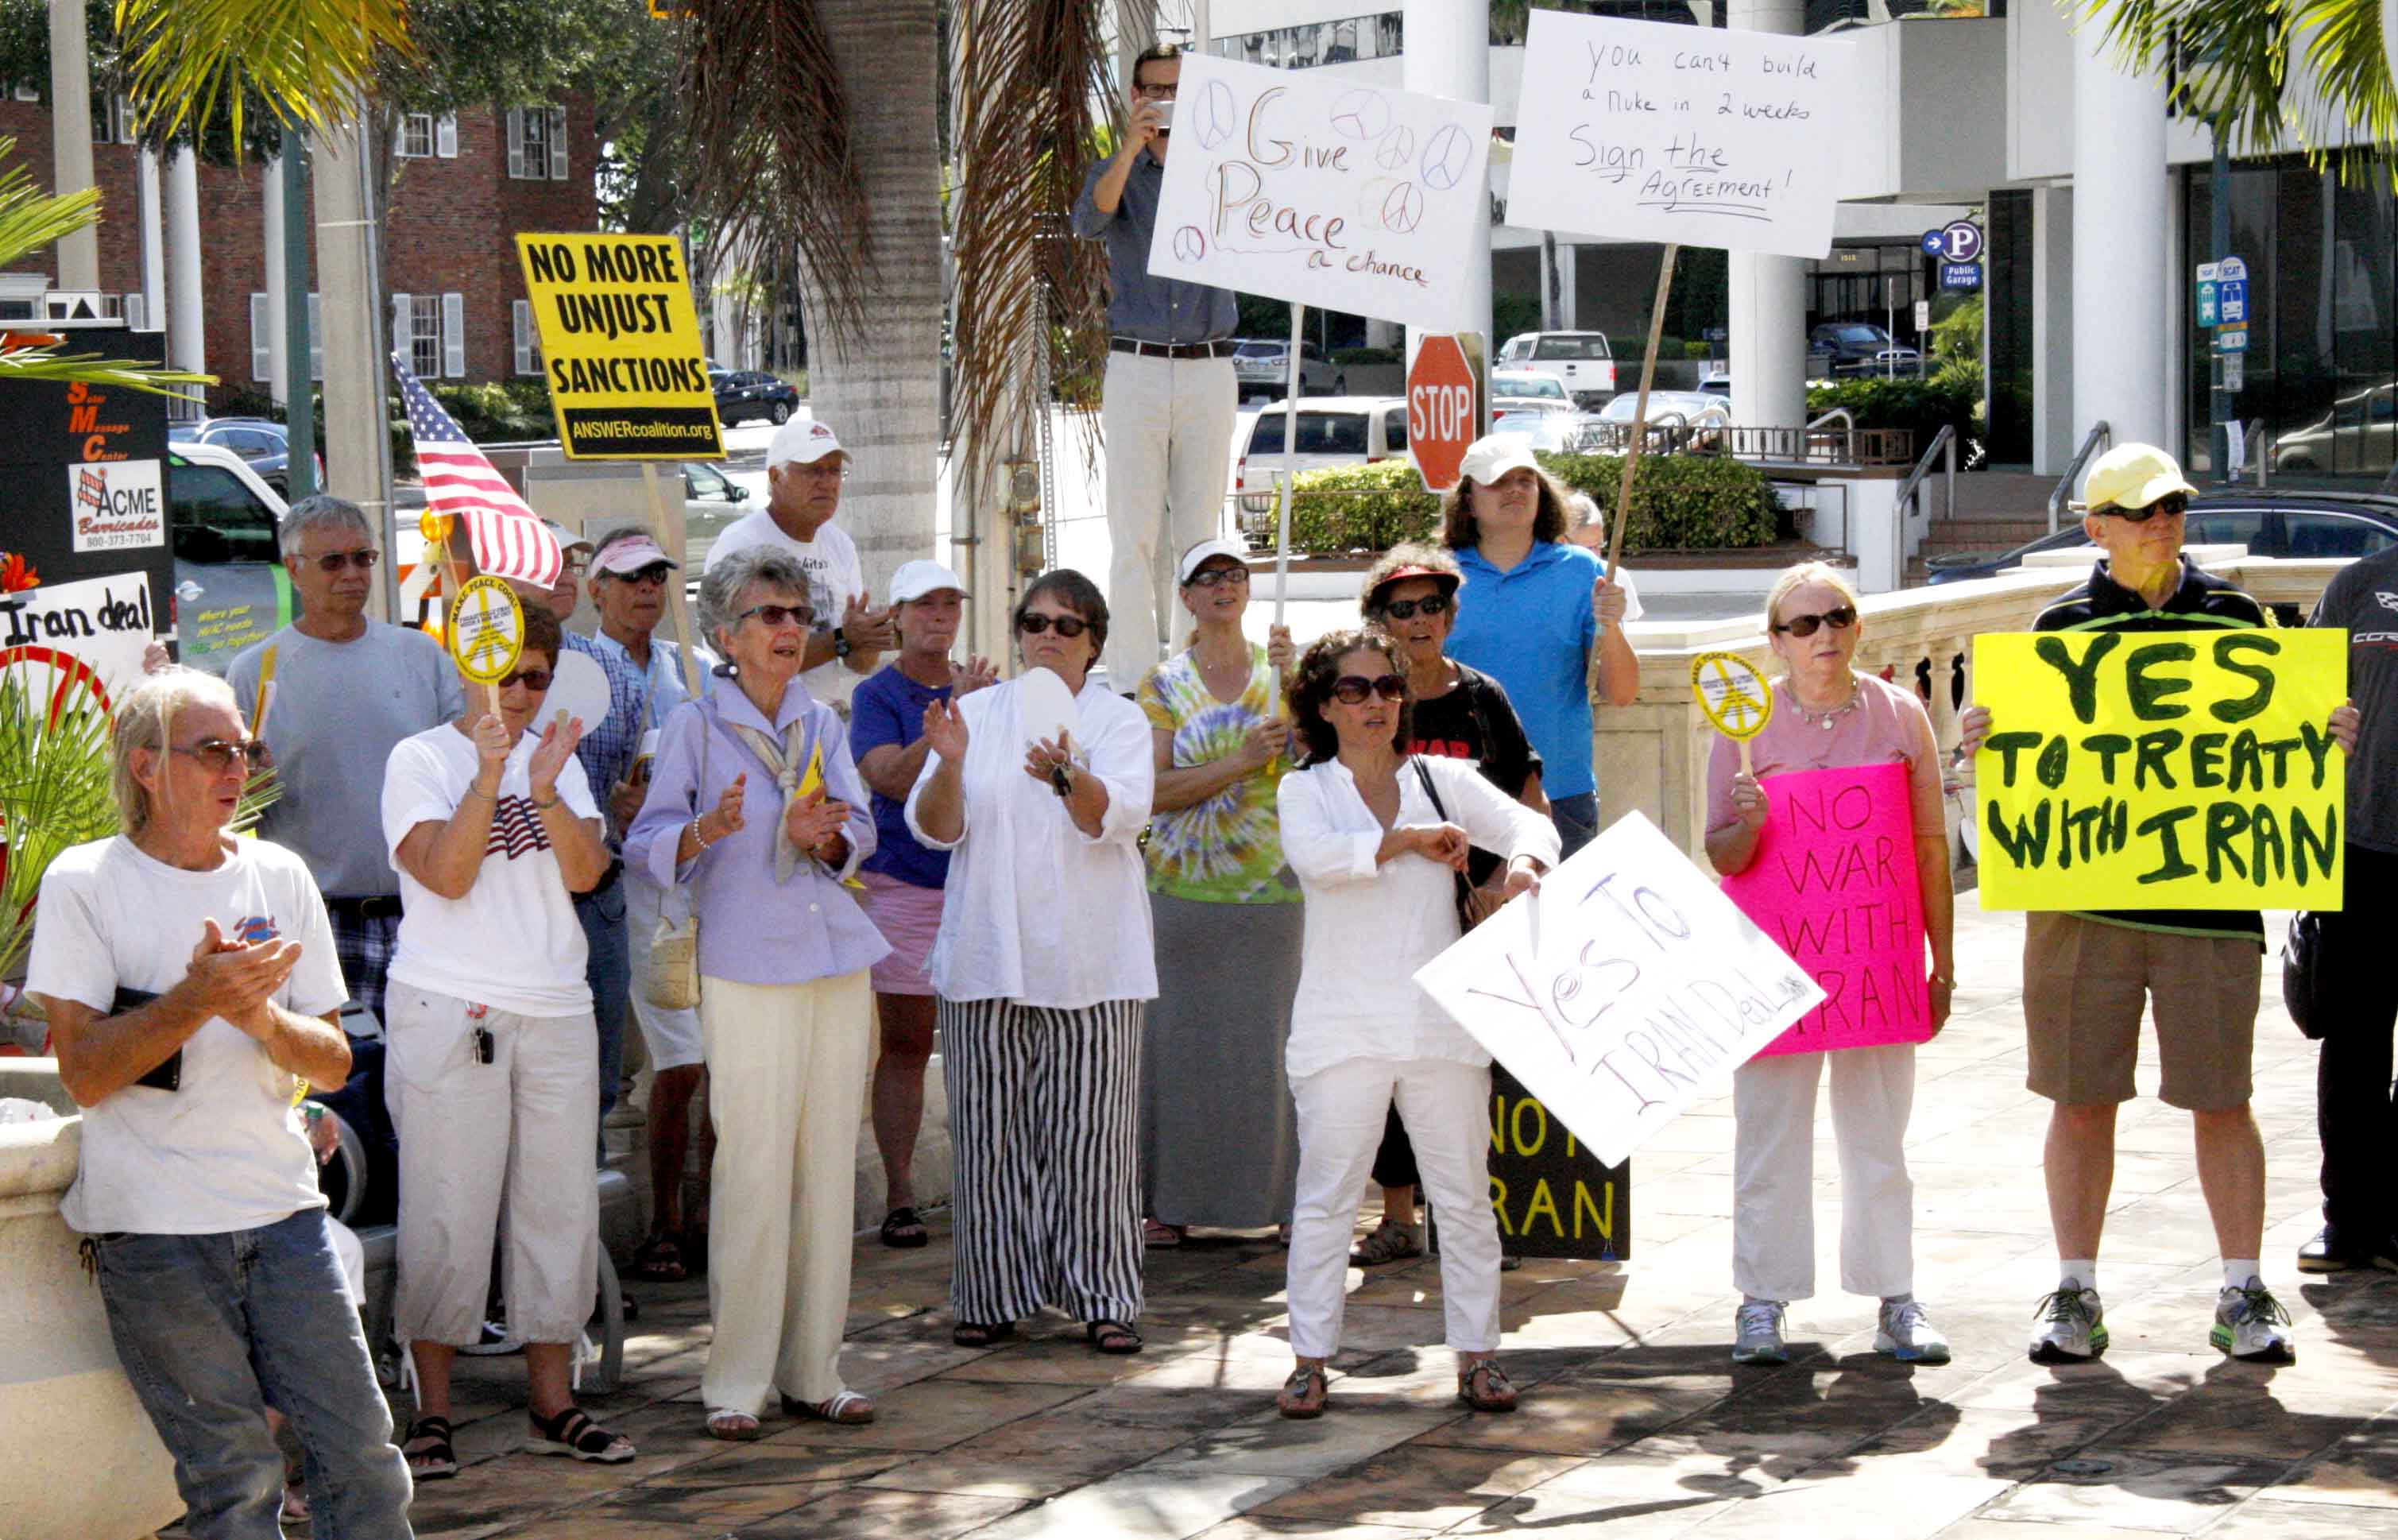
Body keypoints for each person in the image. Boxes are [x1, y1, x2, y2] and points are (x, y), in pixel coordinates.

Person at [1958, 443, 2360, 1364]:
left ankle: (2242, 1290)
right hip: (2080, 907)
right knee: (2079, 1098)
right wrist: (1987, 737)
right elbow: (2018, 776)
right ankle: (2075, 1289)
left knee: (2224, 1100)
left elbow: (2276, 753)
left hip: (2210, 911)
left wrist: (2322, 735)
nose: (2162, 524)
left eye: (2172, 507)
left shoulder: (2234, 616)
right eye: (2140, 512)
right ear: (2095, 526)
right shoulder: (2057, 629)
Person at [28, 668, 415, 1540]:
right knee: (233, 1486)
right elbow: (85, 1074)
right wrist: (194, 999)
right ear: (146, 767)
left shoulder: (278, 875)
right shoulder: (84, 881)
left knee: (364, 1463)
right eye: (211, 750)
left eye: (242, 748)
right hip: (154, 1236)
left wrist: (259, 1018)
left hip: (283, 1218)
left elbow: (332, 1057)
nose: (235, 766)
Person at [625, 546, 888, 1440]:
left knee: (825, 1166)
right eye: (770, 616)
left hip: (835, 960)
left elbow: (863, 832)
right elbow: (650, 841)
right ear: (729, 635)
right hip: (745, 965)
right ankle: (736, 1382)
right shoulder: (696, 727)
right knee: (754, 1167)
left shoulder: (822, 722)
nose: (788, 630)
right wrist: (712, 826)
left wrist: (826, 836)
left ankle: (816, 1369)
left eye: (796, 616)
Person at [1274, 627, 1558, 1420]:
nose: (1375, 704)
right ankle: (1308, 1360)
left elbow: (1534, 826)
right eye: (1355, 690)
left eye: (1388, 688)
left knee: (1465, 1198)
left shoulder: (1444, 777)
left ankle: (1479, 1356)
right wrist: (1409, 842)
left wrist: (1525, 868)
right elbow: (1322, 861)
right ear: (1324, 706)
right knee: (1327, 1198)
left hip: (1440, 1028)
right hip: (1340, 1030)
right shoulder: (1305, 790)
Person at [380, 603, 632, 1473]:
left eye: (537, 677)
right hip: (452, 1004)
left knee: (558, 1208)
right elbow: (446, 877)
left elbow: (587, 871)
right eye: (508, 674)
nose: (521, 694)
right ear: (470, 668)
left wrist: (548, 787)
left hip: (556, 1005)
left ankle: (552, 1402)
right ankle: (434, 1411)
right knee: (448, 1207)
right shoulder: (420, 759)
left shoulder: (554, 756)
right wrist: (489, 777)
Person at [1704, 562, 1955, 1368]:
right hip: (1771, 966)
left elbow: (1925, 844)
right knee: (1770, 1136)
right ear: (1775, 641)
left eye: (1837, 617)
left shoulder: (1899, 715)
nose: (1823, 636)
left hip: (1873, 964)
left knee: (1879, 1135)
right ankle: (1763, 1300)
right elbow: (1724, 855)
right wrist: (1745, 821)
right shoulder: (1743, 725)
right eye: (1803, 624)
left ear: (1858, 627)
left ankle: (1895, 1296)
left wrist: (1941, 962)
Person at [906, 570, 1157, 1353]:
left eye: (1070, 626)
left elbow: (1115, 819)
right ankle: (989, 1294)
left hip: (1092, 965)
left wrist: (1065, 775)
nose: (1051, 635)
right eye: (1037, 620)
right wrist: (948, 764)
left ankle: (1104, 1296)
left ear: (1094, 644)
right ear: (1018, 631)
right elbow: (935, 830)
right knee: (989, 1141)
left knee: (1092, 1143)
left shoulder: (1117, 721)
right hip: (987, 958)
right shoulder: (973, 714)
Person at [1349, 543, 1549, 1268]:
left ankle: (1478, 1221)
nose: (1420, 620)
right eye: (1402, 609)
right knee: (1392, 1065)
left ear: (1453, 614)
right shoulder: (1365, 706)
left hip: (1476, 918)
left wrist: (1510, 880)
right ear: (1380, 622)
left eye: (1433, 604)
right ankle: (1399, 1218)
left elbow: (1528, 799)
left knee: (1471, 1075)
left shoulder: (1483, 698)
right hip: (1389, 920)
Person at [227, 494, 466, 1022]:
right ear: (294, 569)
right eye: (333, 561)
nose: (352, 573)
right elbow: (228, 808)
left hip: (427, 912)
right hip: (317, 922)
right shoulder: (255, 672)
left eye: (364, 558)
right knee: (335, 1090)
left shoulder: (421, 656)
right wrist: (250, 783)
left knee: (430, 1092)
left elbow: (467, 775)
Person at [1137, 538, 1300, 1248]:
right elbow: (1152, 791)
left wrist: (1308, 698)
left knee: (1275, 1053)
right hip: (1182, 894)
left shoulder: (1286, 672)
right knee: (1177, 1049)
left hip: (1276, 893)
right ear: (1188, 599)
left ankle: (1289, 1200)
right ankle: (1170, 1202)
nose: (1224, 587)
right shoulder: (1163, 685)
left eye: (1234, 574)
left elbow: (1327, 764)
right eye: (1208, 578)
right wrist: (1239, 762)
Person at [1072, 41, 1241, 689]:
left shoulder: (1224, 171)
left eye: (1177, 88)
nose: (1165, 99)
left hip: (1208, 366)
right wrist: (1132, 149)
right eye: (1154, 89)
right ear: (1136, 94)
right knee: (1132, 532)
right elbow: (1089, 221)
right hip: (1137, 365)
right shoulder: (1114, 169)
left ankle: (1190, 671)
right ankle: (1135, 680)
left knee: (1200, 534)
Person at [583, 528, 721, 1283]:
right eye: (628, 576)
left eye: (656, 576)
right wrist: (614, 805)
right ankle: (665, 1219)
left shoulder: (691, 672)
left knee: (715, 1059)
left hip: (703, 884)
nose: (646, 588)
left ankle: (709, 1215)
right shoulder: (575, 667)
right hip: (630, 893)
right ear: (595, 588)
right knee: (678, 1059)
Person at [849, 559, 995, 1248]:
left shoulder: (990, 687)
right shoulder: (877, 694)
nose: (940, 616)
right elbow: (881, 778)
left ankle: (989, 1187)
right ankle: (902, 1195)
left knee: (984, 1043)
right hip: (903, 884)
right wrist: (953, 717)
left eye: (949, 604)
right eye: (925, 606)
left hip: (975, 885)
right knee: (906, 1043)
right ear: (899, 615)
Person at [1441, 436, 1642, 860]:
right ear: (1469, 503)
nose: (1515, 490)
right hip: (1458, 792)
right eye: (1498, 482)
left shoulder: (1583, 571)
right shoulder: (1437, 575)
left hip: (1563, 793)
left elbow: (1621, 694)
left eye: (1525, 480)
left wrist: (1612, 627)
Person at [2296, 526, 2392, 1274]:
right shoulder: (2356, 587)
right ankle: (2348, 1221)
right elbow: (2300, 709)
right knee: (2353, 1044)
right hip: (2358, 852)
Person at [702, 416, 898, 710]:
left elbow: (859, 663)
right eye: (813, 471)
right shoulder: (740, 543)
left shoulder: (840, 545)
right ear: (775, 477)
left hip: (827, 720)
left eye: (835, 471)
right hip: (757, 718)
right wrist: (843, 639)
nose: (828, 482)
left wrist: (868, 639)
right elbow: (743, 655)